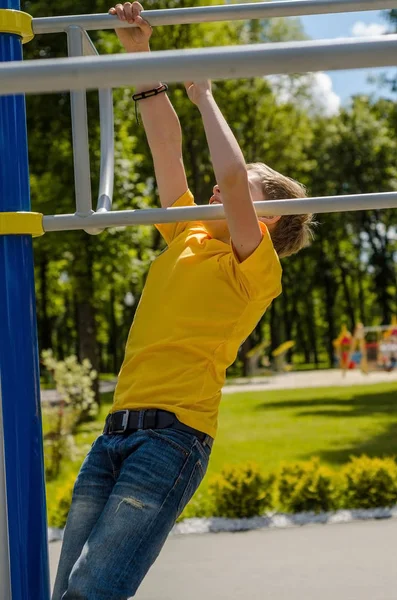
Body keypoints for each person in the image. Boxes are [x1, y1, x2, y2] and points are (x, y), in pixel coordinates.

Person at [52, 3, 314, 598]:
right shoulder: (188, 232)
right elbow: (166, 152)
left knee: (93, 587)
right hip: (115, 430)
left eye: (240, 185)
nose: (219, 182)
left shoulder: (254, 267)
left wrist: (206, 97)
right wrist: (142, 56)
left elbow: (228, 167)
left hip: (172, 438)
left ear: (267, 219)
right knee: (68, 583)